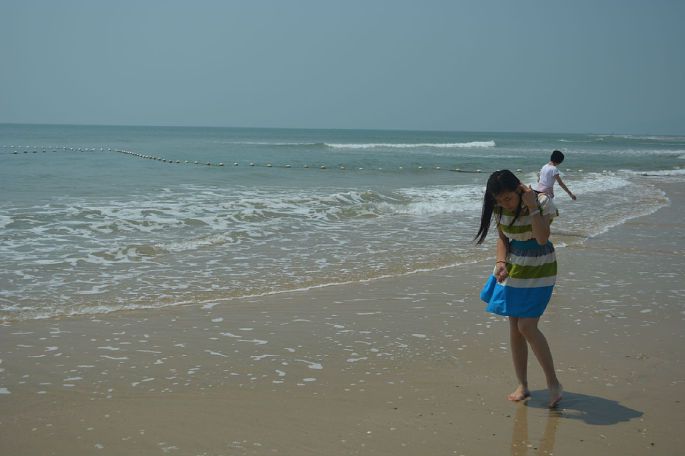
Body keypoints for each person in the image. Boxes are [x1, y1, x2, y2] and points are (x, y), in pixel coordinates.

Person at [475, 169, 563, 408]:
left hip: (540, 267)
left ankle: (553, 383)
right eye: (499, 200)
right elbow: (503, 239)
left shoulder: (542, 202)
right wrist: (500, 262)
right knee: (515, 327)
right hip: (514, 266)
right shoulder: (499, 208)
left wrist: (531, 206)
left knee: (527, 326)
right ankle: (522, 385)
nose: (505, 204)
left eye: (508, 198)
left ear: (518, 189)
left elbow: (542, 238)